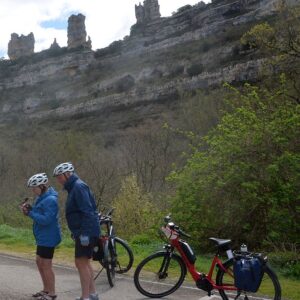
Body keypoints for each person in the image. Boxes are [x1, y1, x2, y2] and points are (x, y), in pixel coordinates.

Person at [53, 162, 100, 300]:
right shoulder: (74, 187)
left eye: (59, 176)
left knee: (81, 263)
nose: (58, 180)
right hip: (84, 231)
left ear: (68, 174)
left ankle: (85, 297)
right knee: (84, 263)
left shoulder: (78, 187)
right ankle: (92, 294)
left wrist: (84, 234)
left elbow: (88, 211)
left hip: (86, 231)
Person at [22, 173, 61, 300]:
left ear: (42, 186)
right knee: (39, 262)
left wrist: (30, 213)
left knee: (46, 265)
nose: (33, 191)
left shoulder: (51, 200)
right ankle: (46, 289)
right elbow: (40, 212)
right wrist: (31, 209)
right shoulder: (43, 197)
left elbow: (46, 220)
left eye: (34, 188)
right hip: (42, 237)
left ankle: (52, 293)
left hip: (48, 237)